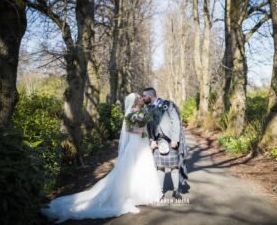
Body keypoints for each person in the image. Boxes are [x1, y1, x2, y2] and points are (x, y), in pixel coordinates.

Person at [41, 93, 162, 223]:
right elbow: (130, 129)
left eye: (141, 97)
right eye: (139, 98)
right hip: (134, 144)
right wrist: (141, 129)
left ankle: (144, 194)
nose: (141, 99)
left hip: (142, 144)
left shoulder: (143, 111)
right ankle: (132, 194)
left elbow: (147, 124)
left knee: (143, 167)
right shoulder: (129, 113)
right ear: (134, 102)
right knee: (131, 170)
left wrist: (145, 131)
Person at [142, 87, 189, 200]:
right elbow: (147, 127)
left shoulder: (168, 104)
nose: (143, 98)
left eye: (144, 96)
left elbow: (175, 121)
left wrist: (175, 139)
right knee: (160, 167)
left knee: (174, 166)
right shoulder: (147, 108)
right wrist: (151, 140)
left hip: (170, 140)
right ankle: (160, 191)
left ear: (151, 95)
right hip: (157, 141)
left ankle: (176, 191)